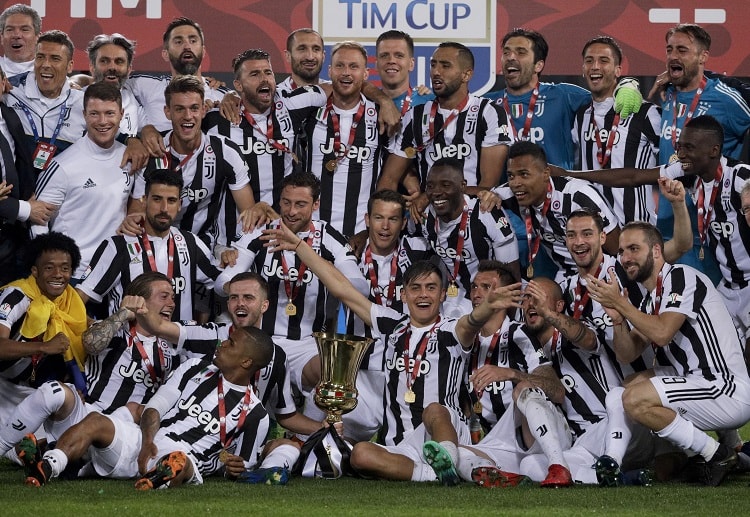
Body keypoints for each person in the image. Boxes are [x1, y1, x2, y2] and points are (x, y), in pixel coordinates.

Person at [262, 220, 523, 485]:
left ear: (443, 294)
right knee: (360, 454)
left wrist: (487, 307)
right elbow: (342, 289)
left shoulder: (452, 330)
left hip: (445, 431)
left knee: (434, 410)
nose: (423, 295)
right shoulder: (392, 326)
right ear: (404, 294)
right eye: (415, 288)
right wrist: (300, 246)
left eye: (431, 288)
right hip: (401, 445)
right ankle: (435, 473)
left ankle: (449, 456)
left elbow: (472, 322)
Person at [586, 222, 750, 486]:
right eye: (621, 251)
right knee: (626, 388)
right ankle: (612, 463)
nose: (625, 258)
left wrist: (620, 302)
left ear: (656, 251)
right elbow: (627, 353)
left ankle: (716, 454)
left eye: (634, 249)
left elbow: (662, 333)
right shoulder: (650, 299)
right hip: (701, 383)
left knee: (635, 399)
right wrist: (617, 319)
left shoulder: (682, 277)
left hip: (725, 388)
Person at [135, 271, 329, 483]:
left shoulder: (276, 356)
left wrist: (323, 428)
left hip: (240, 445)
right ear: (227, 304)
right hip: (192, 433)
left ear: (264, 306)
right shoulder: (208, 334)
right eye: (234, 298)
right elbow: (159, 326)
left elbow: (286, 415)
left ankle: (263, 473)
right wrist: (138, 307)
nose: (240, 303)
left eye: (248, 297)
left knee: (288, 447)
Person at [22, 325, 272, 489]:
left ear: (246, 361)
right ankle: (48, 465)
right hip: (144, 438)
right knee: (96, 421)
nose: (222, 344)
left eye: (231, 343)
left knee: (181, 462)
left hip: (182, 455)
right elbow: (155, 407)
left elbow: (244, 465)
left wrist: (233, 469)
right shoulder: (195, 368)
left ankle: (156, 478)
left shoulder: (256, 414)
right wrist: (146, 443)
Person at [214, 171, 367, 397]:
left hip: (306, 344)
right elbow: (222, 282)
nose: (291, 211)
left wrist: (323, 269)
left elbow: (361, 287)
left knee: (332, 375)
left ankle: (313, 421)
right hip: (259, 339)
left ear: (315, 204)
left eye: (300, 204)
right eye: (286, 202)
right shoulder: (260, 232)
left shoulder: (329, 237)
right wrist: (238, 292)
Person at [0, 272, 179, 464]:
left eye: (173, 298)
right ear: (140, 300)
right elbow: (90, 343)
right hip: (84, 415)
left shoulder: (178, 342)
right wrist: (123, 314)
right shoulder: (116, 329)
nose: (172, 304)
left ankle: (45, 449)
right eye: (164, 297)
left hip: (125, 429)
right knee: (54, 391)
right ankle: (6, 447)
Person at [651, 24, 750, 279]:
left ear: (703, 56)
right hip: (669, 227)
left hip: (712, 234)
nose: (673, 56)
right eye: (669, 49)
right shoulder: (666, 93)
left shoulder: (725, 99)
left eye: (682, 50)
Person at [378, 42, 512, 213]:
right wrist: (383, 216)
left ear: (466, 75)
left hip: (474, 216)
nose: (436, 72)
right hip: (427, 218)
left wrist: (429, 195)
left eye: (445, 66)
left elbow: (487, 187)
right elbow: (389, 178)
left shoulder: (489, 112)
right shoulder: (415, 116)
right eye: (433, 65)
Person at [342, 189, 432, 441]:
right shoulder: (347, 255)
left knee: (406, 443)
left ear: (403, 223)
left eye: (393, 219)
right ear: (367, 219)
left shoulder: (419, 250)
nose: (385, 226)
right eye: (378, 217)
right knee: (341, 439)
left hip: (404, 367)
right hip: (361, 369)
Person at [126, 75, 253, 253]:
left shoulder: (225, 152)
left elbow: (248, 214)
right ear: (167, 112)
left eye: (194, 108)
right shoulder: (151, 152)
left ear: (203, 110)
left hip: (206, 248)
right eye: (179, 109)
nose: (188, 116)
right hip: (157, 248)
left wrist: (235, 251)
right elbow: (136, 214)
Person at [77, 169, 220, 321]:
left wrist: (227, 254)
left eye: (171, 200)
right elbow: (77, 300)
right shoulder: (117, 246)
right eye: (157, 199)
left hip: (179, 336)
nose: (164, 208)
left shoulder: (191, 242)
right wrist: (98, 328)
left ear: (180, 204)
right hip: (131, 337)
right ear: (145, 200)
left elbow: (222, 282)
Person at [30, 82, 135, 283]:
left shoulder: (131, 158)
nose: (102, 121)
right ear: (84, 115)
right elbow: (38, 221)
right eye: (94, 114)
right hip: (75, 275)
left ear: (121, 114)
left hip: (118, 272)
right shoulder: (62, 166)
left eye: (109, 113)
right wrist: (51, 269)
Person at [204, 48, 327, 208]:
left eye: (268, 73)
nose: (264, 79)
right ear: (238, 85)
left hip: (283, 219)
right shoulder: (216, 119)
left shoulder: (291, 105)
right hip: (235, 221)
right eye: (254, 74)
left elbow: (333, 89)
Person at [488, 141, 620, 282]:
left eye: (524, 174)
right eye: (511, 176)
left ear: (546, 174)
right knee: (538, 290)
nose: (515, 183)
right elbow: (476, 197)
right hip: (566, 276)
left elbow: (617, 250)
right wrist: (485, 195)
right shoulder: (509, 195)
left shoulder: (579, 197)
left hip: (603, 273)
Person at [572, 36, 661, 226]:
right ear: (583, 69)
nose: (595, 66)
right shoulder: (580, 115)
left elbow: (671, 162)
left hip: (637, 228)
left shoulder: (646, 113)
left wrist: (630, 83)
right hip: (595, 231)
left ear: (618, 70)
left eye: (603, 60)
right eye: (589, 61)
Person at [302, 41, 387, 237]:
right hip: (312, 230)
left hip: (360, 233)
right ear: (330, 71)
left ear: (365, 74)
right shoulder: (309, 111)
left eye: (354, 66)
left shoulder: (381, 116)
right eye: (340, 66)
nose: (346, 72)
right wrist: (233, 96)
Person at [0, 232, 87, 421]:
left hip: (29, 391)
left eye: (65, 268)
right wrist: (42, 347)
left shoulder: (71, 303)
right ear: (35, 271)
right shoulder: (16, 295)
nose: (58, 274)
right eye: (49, 268)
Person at [417, 157, 519, 317]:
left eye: (445, 185)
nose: (436, 192)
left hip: (492, 295)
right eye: (430, 186)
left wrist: (510, 321)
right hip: (456, 296)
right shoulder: (423, 215)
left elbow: (511, 276)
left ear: (462, 186)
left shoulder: (487, 211)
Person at [0, 63, 55, 285]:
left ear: (3, 83)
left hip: (11, 238)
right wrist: (26, 209)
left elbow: (21, 161)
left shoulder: (9, 115)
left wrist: (29, 195)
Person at [126, 17, 227, 132]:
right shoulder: (146, 86)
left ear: (203, 51)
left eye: (193, 41)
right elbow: (113, 88)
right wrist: (142, 129)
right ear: (166, 54)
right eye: (178, 42)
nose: (187, 46)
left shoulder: (223, 97)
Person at [5, 30, 85, 161]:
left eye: (55, 58)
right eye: (40, 57)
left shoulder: (83, 103)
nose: (46, 64)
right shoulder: (11, 91)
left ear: (70, 66)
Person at [374, 30, 433, 112]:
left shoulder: (430, 102)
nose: (391, 60)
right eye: (384, 55)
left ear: (411, 64)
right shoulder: (366, 103)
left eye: (399, 55)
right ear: (376, 64)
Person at [278, 28, 327, 94]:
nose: (310, 57)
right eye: (302, 49)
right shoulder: (276, 96)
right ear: (288, 56)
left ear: (323, 56)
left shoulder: (335, 94)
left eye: (316, 49)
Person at [0, 3, 40, 79]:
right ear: (2, 37)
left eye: (24, 30)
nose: (16, 35)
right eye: (10, 30)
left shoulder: (51, 73)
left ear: (37, 37)